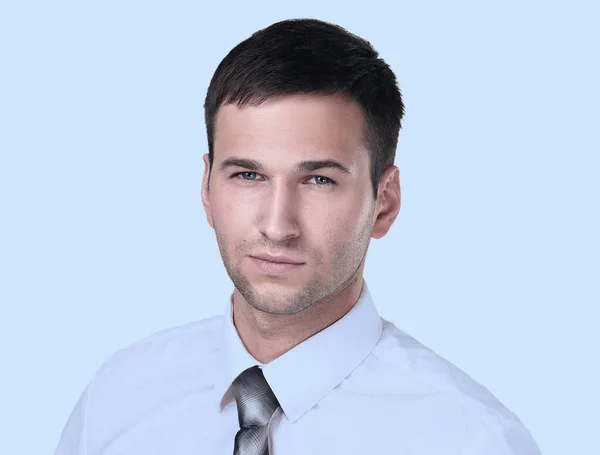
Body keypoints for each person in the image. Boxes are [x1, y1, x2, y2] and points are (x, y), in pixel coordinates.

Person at [55, 18, 541, 455]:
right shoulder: (117, 400)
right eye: (247, 175)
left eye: (319, 180)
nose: (277, 225)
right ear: (206, 188)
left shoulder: (471, 440)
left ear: (384, 202)